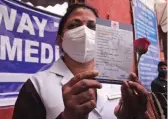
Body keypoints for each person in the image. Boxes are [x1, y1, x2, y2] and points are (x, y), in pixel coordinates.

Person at [12, 3, 149, 119]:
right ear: (60, 39)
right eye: (73, 25)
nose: (84, 31)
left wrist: (135, 115)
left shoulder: (120, 81)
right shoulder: (37, 85)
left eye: (92, 26)